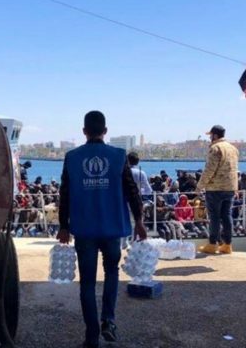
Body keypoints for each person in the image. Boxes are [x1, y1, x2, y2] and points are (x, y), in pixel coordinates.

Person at [58, 111, 146, 348]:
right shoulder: (118, 156)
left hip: (84, 229)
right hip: (112, 229)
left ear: (84, 131)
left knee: (87, 282)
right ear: (105, 131)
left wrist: (63, 226)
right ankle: (109, 320)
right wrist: (139, 220)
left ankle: (91, 335)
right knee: (112, 272)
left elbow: (64, 193)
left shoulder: (72, 157)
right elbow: (132, 191)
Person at [196, 125, 239, 255]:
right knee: (227, 216)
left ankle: (213, 244)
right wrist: (235, 188)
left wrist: (200, 186)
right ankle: (227, 245)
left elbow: (210, 169)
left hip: (215, 188)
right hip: (230, 187)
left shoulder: (215, 148)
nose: (210, 137)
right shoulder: (233, 148)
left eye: (210, 135)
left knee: (214, 216)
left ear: (215, 135)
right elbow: (234, 169)